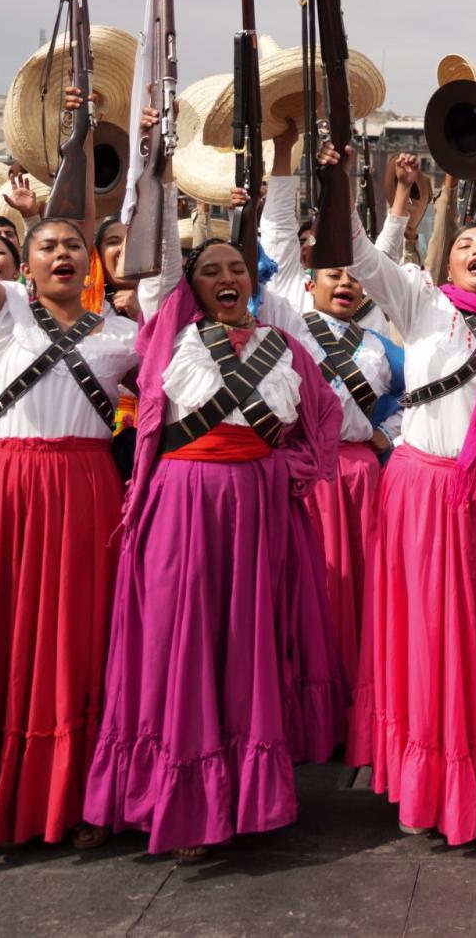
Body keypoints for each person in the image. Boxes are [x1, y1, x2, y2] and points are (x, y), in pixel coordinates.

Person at [83, 181, 345, 861]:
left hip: (260, 511)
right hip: (183, 503)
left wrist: (290, 474)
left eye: (235, 267)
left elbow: (322, 418)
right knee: (182, 643)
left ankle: (243, 795)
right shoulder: (171, 334)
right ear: (191, 286)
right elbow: (159, 261)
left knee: (247, 648)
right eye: (211, 270)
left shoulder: (285, 345)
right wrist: (158, 166)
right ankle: (178, 797)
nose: (226, 276)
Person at [335, 144, 476, 845]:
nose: (474, 249)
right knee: (429, 636)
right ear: (448, 260)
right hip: (422, 495)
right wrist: (380, 193)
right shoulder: (425, 305)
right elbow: (366, 259)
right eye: (464, 241)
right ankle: (423, 782)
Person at [0, 200, 141, 850]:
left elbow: (163, 397)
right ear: (26, 264)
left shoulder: (123, 335)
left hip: (86, 488)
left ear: (94, 264)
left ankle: (79, 798)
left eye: (74, 246)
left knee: (79, 637)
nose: (62, 255)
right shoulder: (3, 312)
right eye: (47, 246)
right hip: (9, 485)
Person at [259, 130, 404, 704]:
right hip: (301, 477)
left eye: (353, 275)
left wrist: (382, 435)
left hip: (361, 481)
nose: (345, 282)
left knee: (363, 592)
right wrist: (284, 155)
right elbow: (276, 234)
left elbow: (415, 402)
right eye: (332, 274)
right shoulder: (290, 314)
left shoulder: (380, 347)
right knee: (306, 589)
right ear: (308, 280)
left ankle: (362, 701)